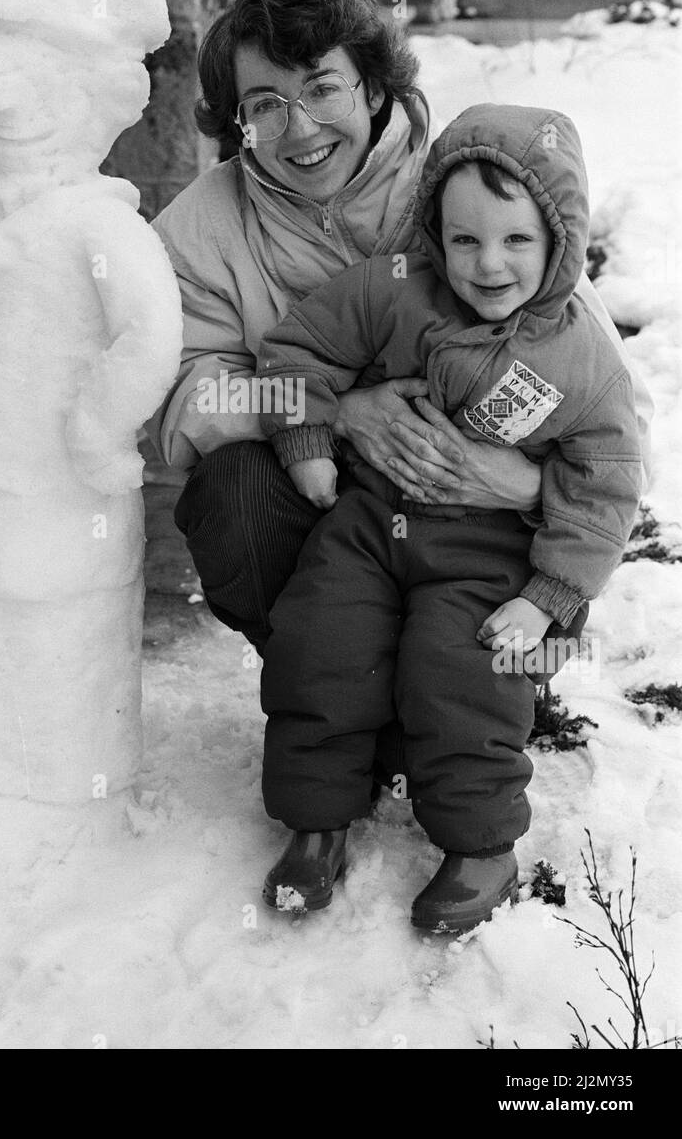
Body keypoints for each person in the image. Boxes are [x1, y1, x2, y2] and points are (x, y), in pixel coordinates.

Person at [149, 0, 651, 788]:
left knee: (529, 539)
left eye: (322, 88)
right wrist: (337, 411)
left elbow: (597, 398)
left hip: (481, 521)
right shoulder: (199, 232)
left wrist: (524, 485)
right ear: (236, 123)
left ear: (374, 86)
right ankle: (350, 718)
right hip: (321, 494)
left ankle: (486, 700)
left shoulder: (472, 185)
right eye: (264, 106)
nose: (300, 129)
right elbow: (185, 395)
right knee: (229, 494)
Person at [255, 104, 643, 932]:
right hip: (372, 518)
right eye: (464, 240)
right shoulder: (395, 289)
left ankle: (480, 847)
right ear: (436, 232)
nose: (488, 265)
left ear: (560, 242)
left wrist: (549, 597)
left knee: (462, 670)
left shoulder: (580, 359)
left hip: (489, 548)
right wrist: (311, 437)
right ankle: (317, 821)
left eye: (515, 241)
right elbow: (299, 347)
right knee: (323, 638)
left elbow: (605, 482)